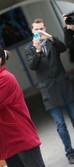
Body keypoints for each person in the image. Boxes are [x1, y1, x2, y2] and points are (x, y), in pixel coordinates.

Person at [24, 18, 74, 164]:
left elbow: (63, 48)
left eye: (41, 28)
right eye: (36, 29)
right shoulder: (29, 49)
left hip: (64, 86)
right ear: (32, 31)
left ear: (44, 28)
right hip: (49, 91)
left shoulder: (52, 42)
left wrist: (50, 36)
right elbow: (33, 65)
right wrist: (38, 50)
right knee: (60, 125)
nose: (39, 31)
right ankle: (70, 152)